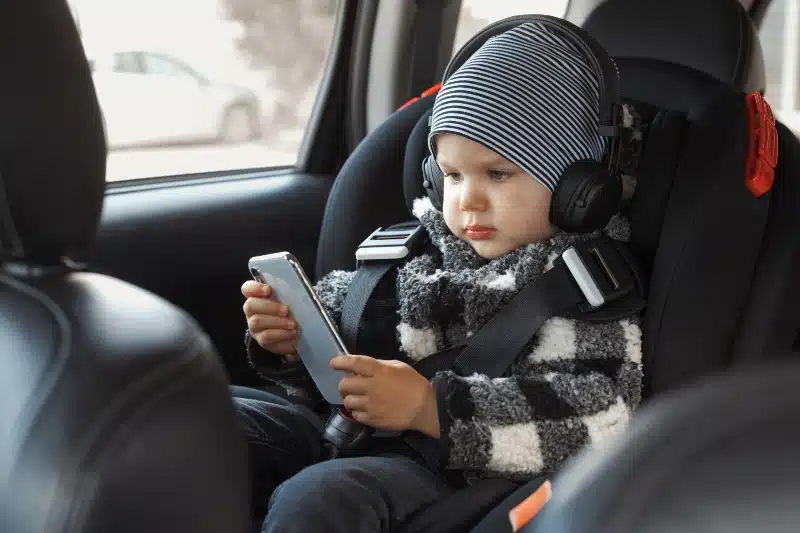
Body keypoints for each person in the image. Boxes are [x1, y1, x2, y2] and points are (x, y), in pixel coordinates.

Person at [237, 21, 643, 533]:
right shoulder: (416, 248)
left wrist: (434, 410)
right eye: (452, 175)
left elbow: (599, 418)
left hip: (453, 473)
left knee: (320, 498)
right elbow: (344, 315)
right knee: (213, 420)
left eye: (498, 174)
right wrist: (289, 338)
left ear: (576, 186)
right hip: (347, 430)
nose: (467, 199)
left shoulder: (578, 288)